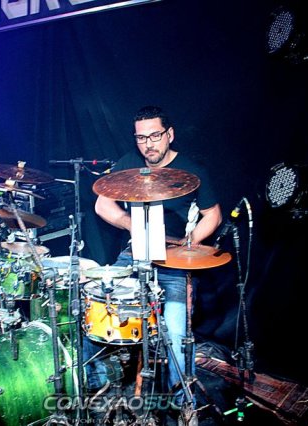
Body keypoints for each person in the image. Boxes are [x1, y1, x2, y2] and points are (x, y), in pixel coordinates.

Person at [87, 105, 222, 406]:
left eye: (155, 136)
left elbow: (213, 214)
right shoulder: (129, 163)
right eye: (141, 138)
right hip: (135, 253)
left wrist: (189, 242)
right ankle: (96, 391)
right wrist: (131, 224)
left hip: (174, 259)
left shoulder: (191, 169)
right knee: (97, 308)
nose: (148, 144)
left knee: (175, 331)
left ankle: (182, 401)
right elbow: (102, 205)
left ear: (169, 134)